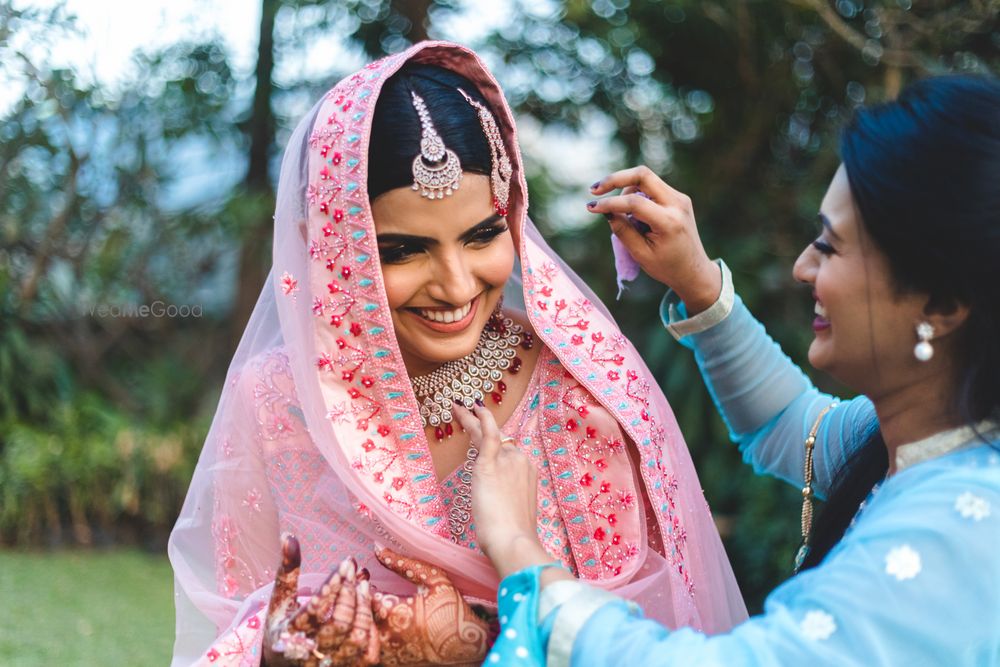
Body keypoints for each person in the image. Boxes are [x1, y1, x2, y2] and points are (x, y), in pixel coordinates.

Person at [168, 41, 746, 667]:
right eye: (402, 250)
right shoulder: (276, 403)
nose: (456, 284)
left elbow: (637, 646)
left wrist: (469, 635)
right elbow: (242, 617)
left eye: (483, 236)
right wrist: (278, 652)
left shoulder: (577, 394)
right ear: (331, 252)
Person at [463, 74, 1000, 665]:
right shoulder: (920, 441)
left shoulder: (962, 527)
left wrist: (518, 549)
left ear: (944, 304)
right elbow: (790, 424)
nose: (802, 268)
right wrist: (697, 281)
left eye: (830, 246)